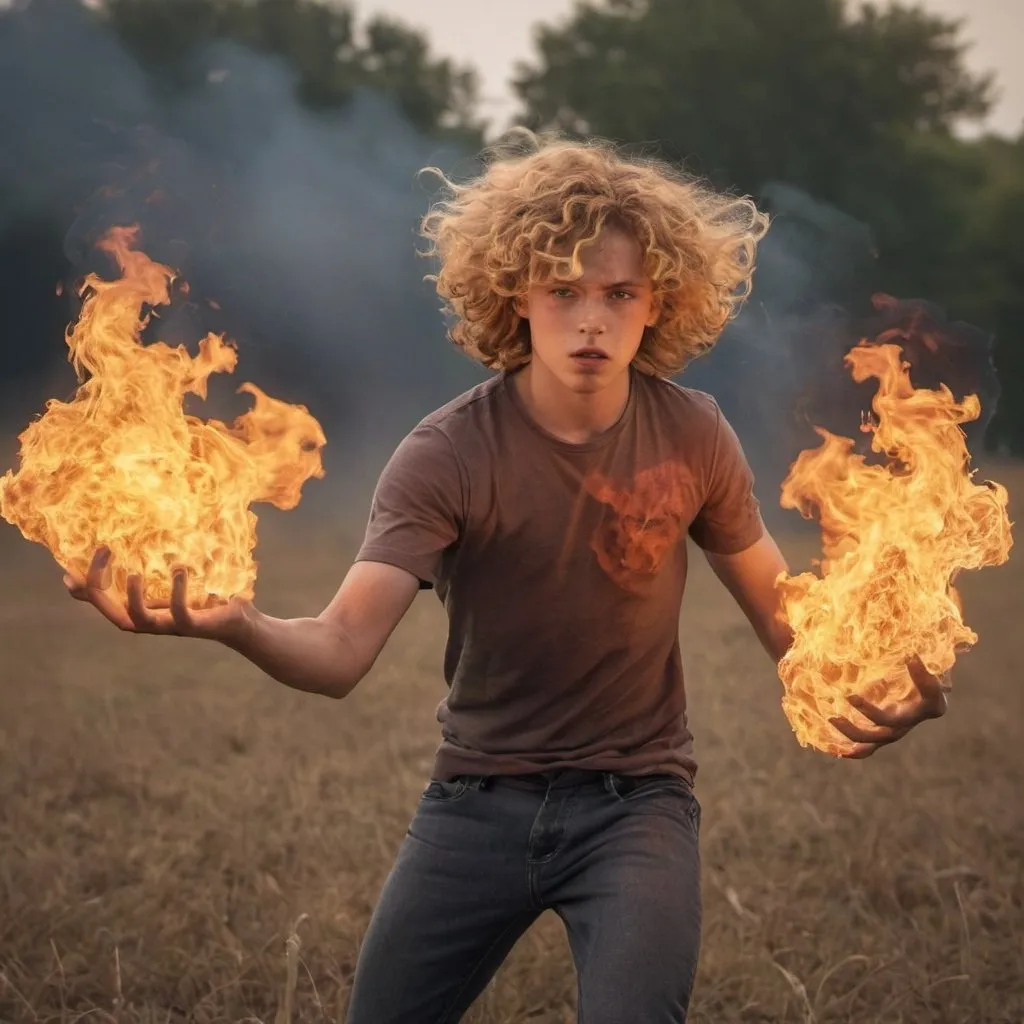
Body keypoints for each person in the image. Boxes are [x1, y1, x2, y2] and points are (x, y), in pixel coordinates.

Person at [65, 132, 950, 1023]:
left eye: (619, 294)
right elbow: (339, 652)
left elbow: (784, 620)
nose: (592, 321)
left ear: (659, 305)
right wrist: (238, 624)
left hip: (636, 808)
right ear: (516, 297)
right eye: (563, 291)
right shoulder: (444, 454)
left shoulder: (695, 434)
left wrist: (868, 676)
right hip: (473, 805)